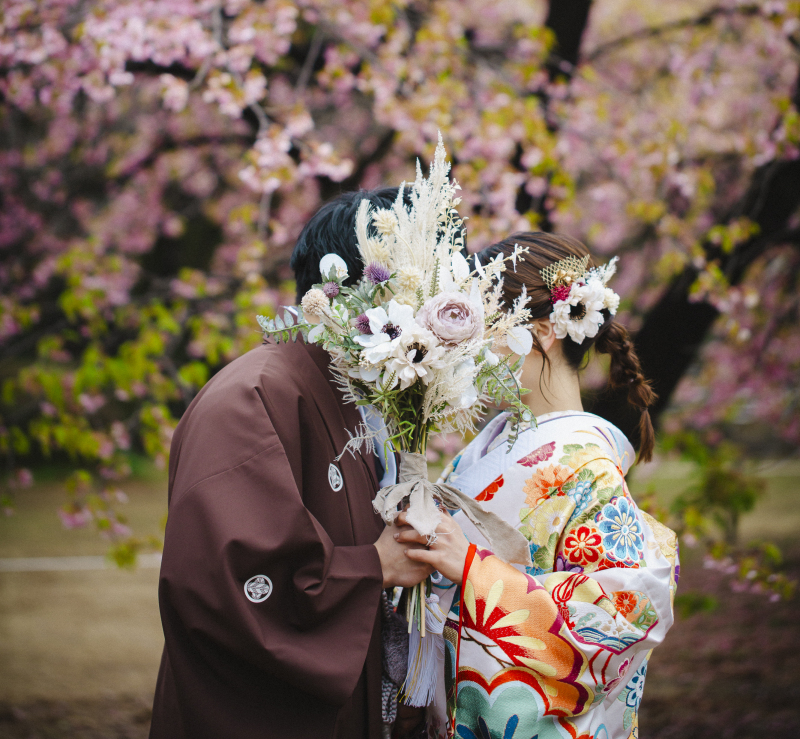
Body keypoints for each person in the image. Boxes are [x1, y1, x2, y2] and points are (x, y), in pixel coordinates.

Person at [149, 189, 428, 739]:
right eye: (426, 287)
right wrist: (373, 566)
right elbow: (228, 580)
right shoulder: (251, 397)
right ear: (371, 287)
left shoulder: (361, 396)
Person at [394, 232, 678, 739]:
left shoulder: (586, 466)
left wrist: (472, 572)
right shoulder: (487, 447)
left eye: (484, 325)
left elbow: (622, 615)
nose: (467, 345)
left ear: (543, 330)